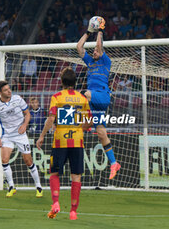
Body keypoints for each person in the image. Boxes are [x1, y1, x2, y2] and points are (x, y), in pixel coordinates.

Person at [36, 67, 91, 220]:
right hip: (77, 142)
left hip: (60, 141)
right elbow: (89, 122)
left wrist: (41, 136)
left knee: (54, 173)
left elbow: (51, 119)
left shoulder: (57, 97)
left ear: (61, 81)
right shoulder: (82, 99)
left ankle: (55, 203)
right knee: (76, 177)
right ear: (75, 82)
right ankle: (73, 212)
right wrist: (79, 127)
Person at [76, 16, 121, 179]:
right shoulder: (90, 62)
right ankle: (114, 163)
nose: (94, 51)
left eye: (95, 50)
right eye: (93, 50)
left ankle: (85, 122)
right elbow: (79, 47)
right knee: (101, 134)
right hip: (95, 104)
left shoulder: (105, 61)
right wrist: (89, 32)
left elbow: (99, 46)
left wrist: (100, 32)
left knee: (84, 93)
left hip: (101, 96)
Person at [0, 80, 43, 198]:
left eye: (9, 88)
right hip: (7, 136)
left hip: (20, 134)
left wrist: (24, 125)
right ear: (0, 93)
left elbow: (27, 114)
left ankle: (38, 187)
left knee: (28, 161)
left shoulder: (18, 99)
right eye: (5, 90)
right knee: (4, 160)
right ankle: (11, 186)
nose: (9, 91)